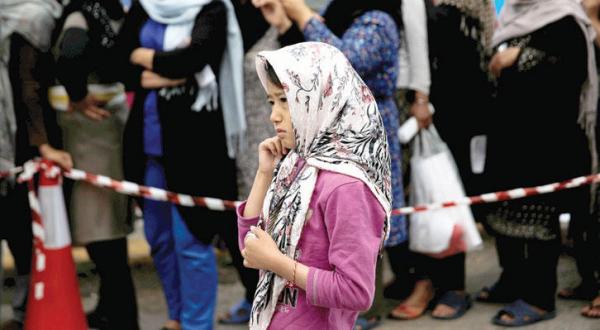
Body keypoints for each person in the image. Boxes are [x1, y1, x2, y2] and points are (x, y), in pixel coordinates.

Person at [118, 0, 254, 328]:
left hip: (197, 147)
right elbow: (118, 61)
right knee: (160, 239)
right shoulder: (145, 6)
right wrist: (171, 73)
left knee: (192, 240)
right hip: (147, 144)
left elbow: (195, 57)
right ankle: (175, 316)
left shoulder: (213, 8)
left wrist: (149, 60)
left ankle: (196, 324)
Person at [238, 41, 392, 329]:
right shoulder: (294, 166)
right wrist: (263, 175)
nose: (274, 115)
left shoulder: (346, 186)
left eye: (286, 101)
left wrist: (279, 264)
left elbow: (356, 291)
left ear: (323, 100)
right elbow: (252, 250)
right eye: (272, 101)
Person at [482, 0, 598, 326]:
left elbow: (571, 71)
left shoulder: (564, 18)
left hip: (546, 139)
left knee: (538, 218)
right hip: (509, 134)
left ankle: (539, 296)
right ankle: (513, 281)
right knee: (505, 213)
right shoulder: (513, 16)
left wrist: (523, 57)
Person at [389, 0, 495, 321]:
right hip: (416, 98)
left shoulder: (451, 10)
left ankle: (451, 286)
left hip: (445, 101)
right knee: (414, 193)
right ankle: (419, 277)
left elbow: (467, 47)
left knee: (442, 192)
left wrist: (420, 96)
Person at [53, 1, 139, 328]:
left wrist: (77, 96)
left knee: (103, 234)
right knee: (108, 228)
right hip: (109, 127)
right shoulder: (112, 11)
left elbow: (70, 53)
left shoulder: (80, 12)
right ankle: (110, 309)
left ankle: (121, 317)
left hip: (92, 134)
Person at [0, 1, 72, 329]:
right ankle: (22, 312)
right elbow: (29, 85)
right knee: (21, 230)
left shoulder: (24, 16)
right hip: (16, 147)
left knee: (21, 230)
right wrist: (43, 143)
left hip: (15, 147)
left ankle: (23, 312)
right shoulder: (34, 16)